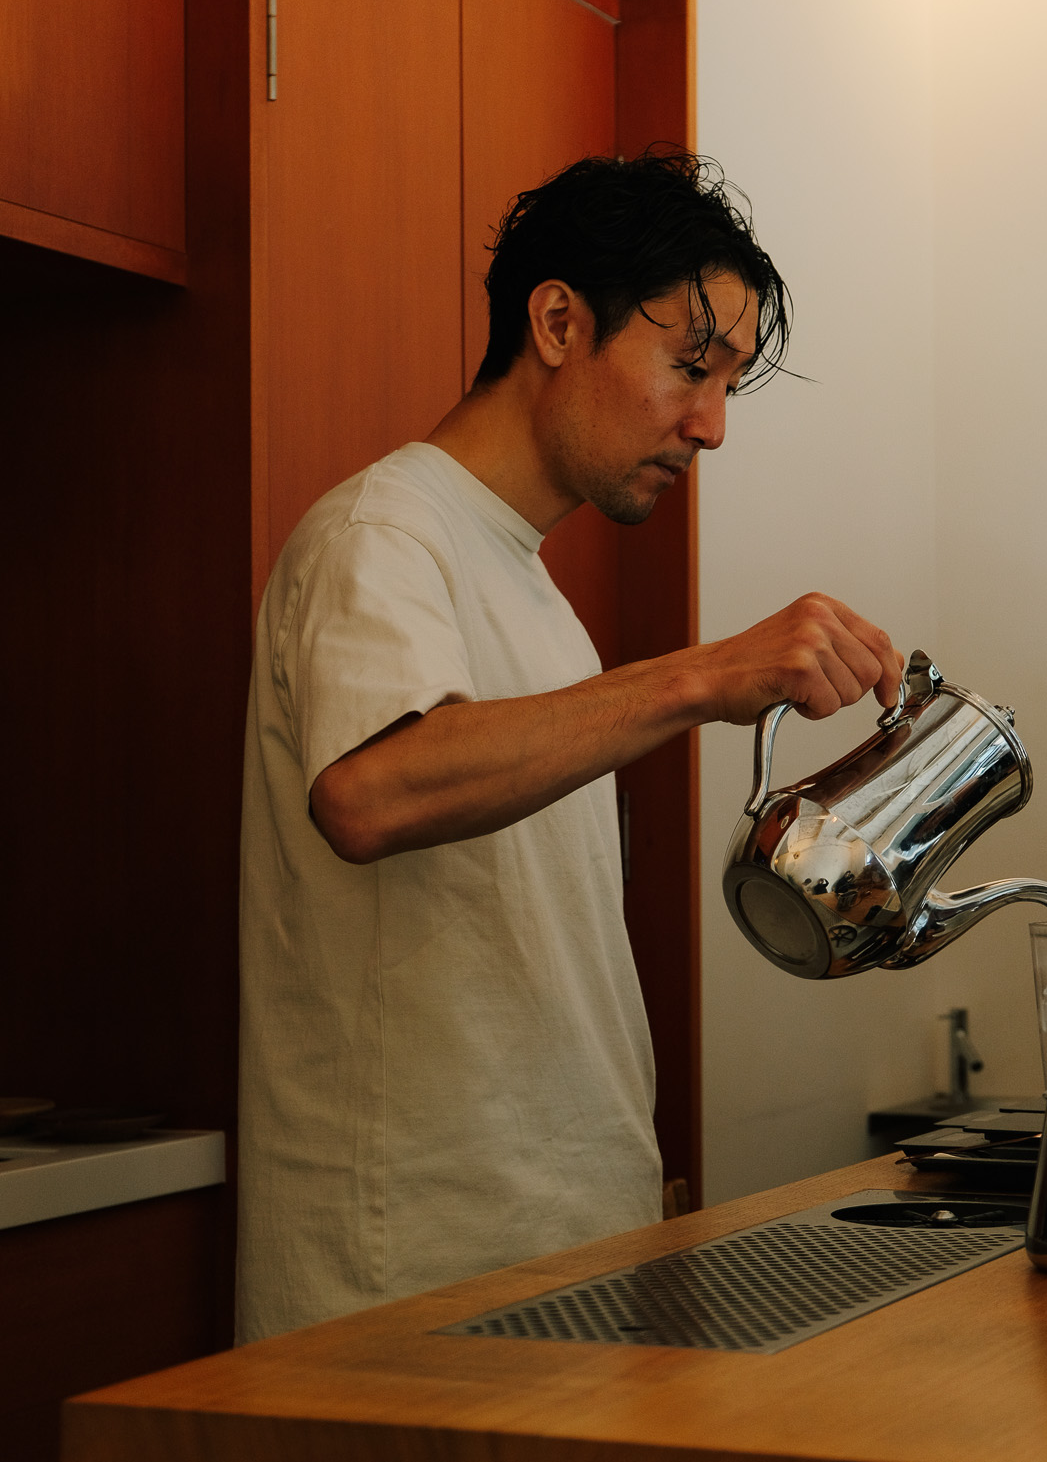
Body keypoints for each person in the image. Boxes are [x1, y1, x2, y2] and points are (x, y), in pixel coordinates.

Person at [236, 151, 901, 1342]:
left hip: (562, 1253)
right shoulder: (380, 534)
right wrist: (705, 674)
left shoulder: (542, 602)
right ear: (556, 321)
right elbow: (372, 792)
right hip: (402, 1282)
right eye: (691, 366)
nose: (711, 425)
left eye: (730, 383)